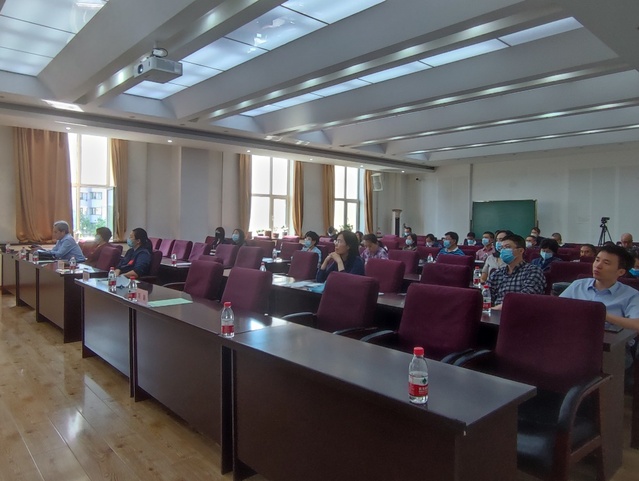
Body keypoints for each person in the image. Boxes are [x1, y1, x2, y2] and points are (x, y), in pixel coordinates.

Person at [560, 244, 639, 330]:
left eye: (606, 263)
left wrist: (602, 315)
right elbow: (556, 308)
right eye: (597, 260)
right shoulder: (578, 285)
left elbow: (637, 324)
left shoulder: (632, 295)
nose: (598, 266)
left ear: (621, 272)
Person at [487, 233, 546, 309]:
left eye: (507, 247)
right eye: (502, 248)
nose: (503, 251)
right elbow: (486, 295)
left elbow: (525, 299)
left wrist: (494, 309)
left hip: (520, 313)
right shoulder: (497, 273)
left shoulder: (533, 271)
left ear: (521, 251)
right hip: (493, 313)